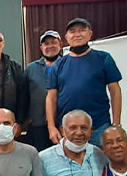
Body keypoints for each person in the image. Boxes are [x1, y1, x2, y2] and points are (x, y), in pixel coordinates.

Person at [47, 18, 122, 147]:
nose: (77, 35)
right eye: (72, 31)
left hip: (99, 126)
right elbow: (51, 98)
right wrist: (51, 127)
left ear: (90, 34)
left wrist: (116, 124)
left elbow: (115, 92)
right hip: (68, 129)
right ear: (66, 37)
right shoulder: (58, 65)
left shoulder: (103, 58)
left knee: (100, 160)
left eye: (82, 30)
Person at [23, 30, 62, 152]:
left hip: (64, 125)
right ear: (41, 48)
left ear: (60, 44)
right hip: (38, 126)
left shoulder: (68, 65)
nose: (50, 46)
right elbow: (24, 97)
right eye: (46, 44)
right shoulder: (31, 69)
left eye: (53, 42)